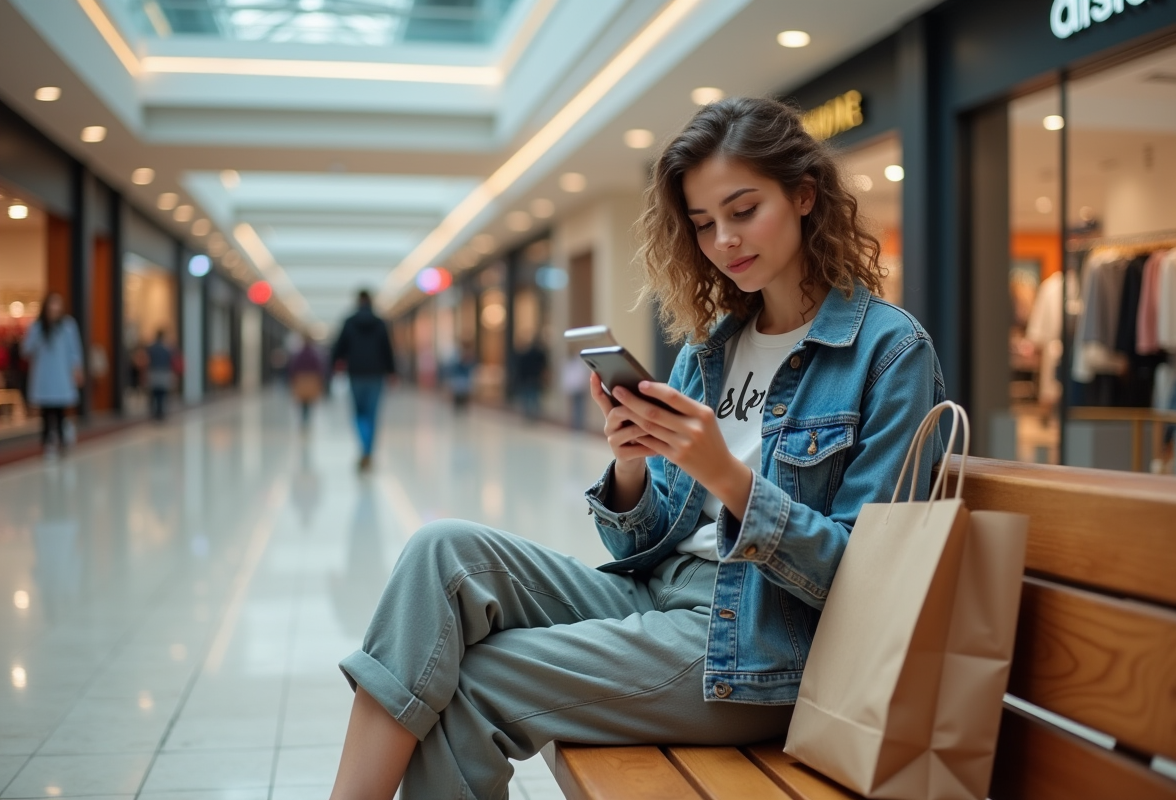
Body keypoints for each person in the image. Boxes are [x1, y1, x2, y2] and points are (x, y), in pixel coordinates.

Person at [329, 97, 945, 800]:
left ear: (805, 195)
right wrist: (629, 461)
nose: (723, 242)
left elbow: (862, 581)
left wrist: (728, 477)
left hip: (757, 645)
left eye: (743, 212)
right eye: (704, 223)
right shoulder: (711, 351)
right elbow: (638, 549)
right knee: (441, 551)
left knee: (478, 679)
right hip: (657, 597)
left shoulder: (888, 352)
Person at [332, 290, 396, 471]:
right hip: (376, 375)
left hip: (356, 374)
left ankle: (363, 449)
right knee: (372, 414)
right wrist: (392, 371)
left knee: (359, 414)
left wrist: (335, 366)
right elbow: (387, 349)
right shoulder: (380, 323)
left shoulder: (349, 322)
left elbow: (339, 348)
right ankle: (368, 451)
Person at [21, 292, 84, 456]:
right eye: (52, 304)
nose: (54, 308)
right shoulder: (37, 327)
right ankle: (48, 442)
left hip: (61, 375)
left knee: (60, 410)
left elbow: (74, 351)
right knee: (46, 412)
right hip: (44, 376)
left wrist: (77, 370)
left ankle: (62, 440)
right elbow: (26, 349)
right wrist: (37, 335)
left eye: (58, 304)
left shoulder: (68, 326)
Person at [289, 334, 325, 428]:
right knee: (308, 401)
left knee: (302, 401)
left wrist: (292, 379)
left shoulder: (299, 354)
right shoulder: (314, 354)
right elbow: (319, 368)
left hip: (301, 379)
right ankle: (306, 418)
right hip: (311, 379)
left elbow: (293, 368)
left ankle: (304, 418)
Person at [513, 335, 548, 420]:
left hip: (527, 378)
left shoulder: (525, 355)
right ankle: (533, 415)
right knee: (533, 397)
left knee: (528, 397)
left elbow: (520, 368)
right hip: (534, 378)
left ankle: (528, 414)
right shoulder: (539, 355)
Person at [145, 330, 175, 421]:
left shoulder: (151, 348)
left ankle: (154, 412)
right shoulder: (166, 349)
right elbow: (171, 362)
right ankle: (161, 412)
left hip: (153, 372)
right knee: (162, 394)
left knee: (154, 393)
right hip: (163, 373)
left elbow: (147, 360)